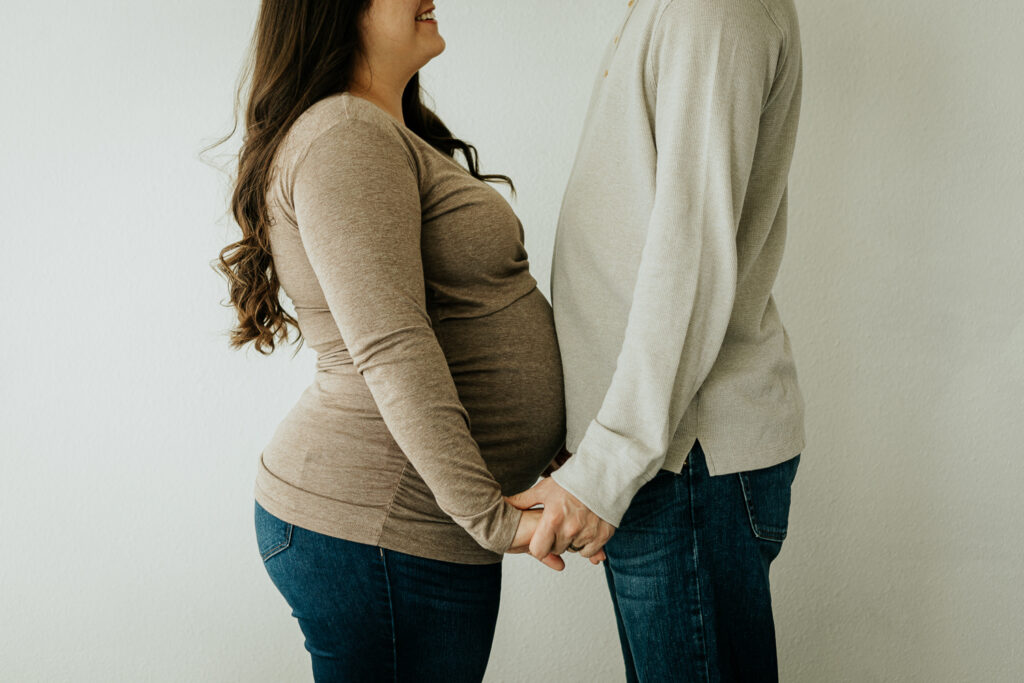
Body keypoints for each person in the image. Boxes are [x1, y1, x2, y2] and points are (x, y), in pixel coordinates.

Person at [216, 2, 568, 680]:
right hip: (381, 527)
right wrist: (493, 520)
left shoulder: (374, 130)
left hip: (402, 530)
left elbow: (458, 321)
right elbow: (392, 344)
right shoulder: (344, 134)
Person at [508, 0, 807, 680]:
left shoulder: (712, 11)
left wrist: (607, 464)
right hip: (660, 456)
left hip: (681, 458)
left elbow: (691, 263)